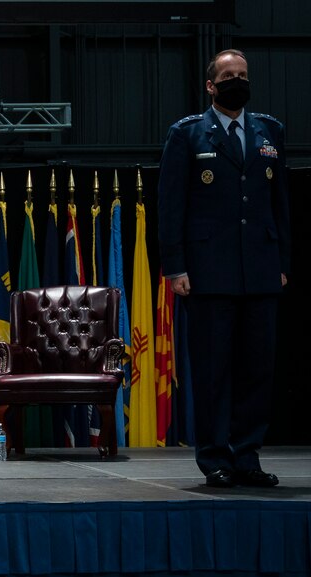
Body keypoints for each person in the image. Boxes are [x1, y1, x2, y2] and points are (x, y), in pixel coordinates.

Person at [158, 49, 290, 488]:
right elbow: (170, 207)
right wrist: (175, 267)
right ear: (211, 86)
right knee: (213, 371)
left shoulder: (269, 131)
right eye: (229, 75)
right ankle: (214, 458)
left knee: (257, 370)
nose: (238, 80)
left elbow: (280, 206)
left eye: (243, 74)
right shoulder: (189, 135)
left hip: (260, 271)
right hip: (208, 274)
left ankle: (246, 455)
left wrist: (282, 263)